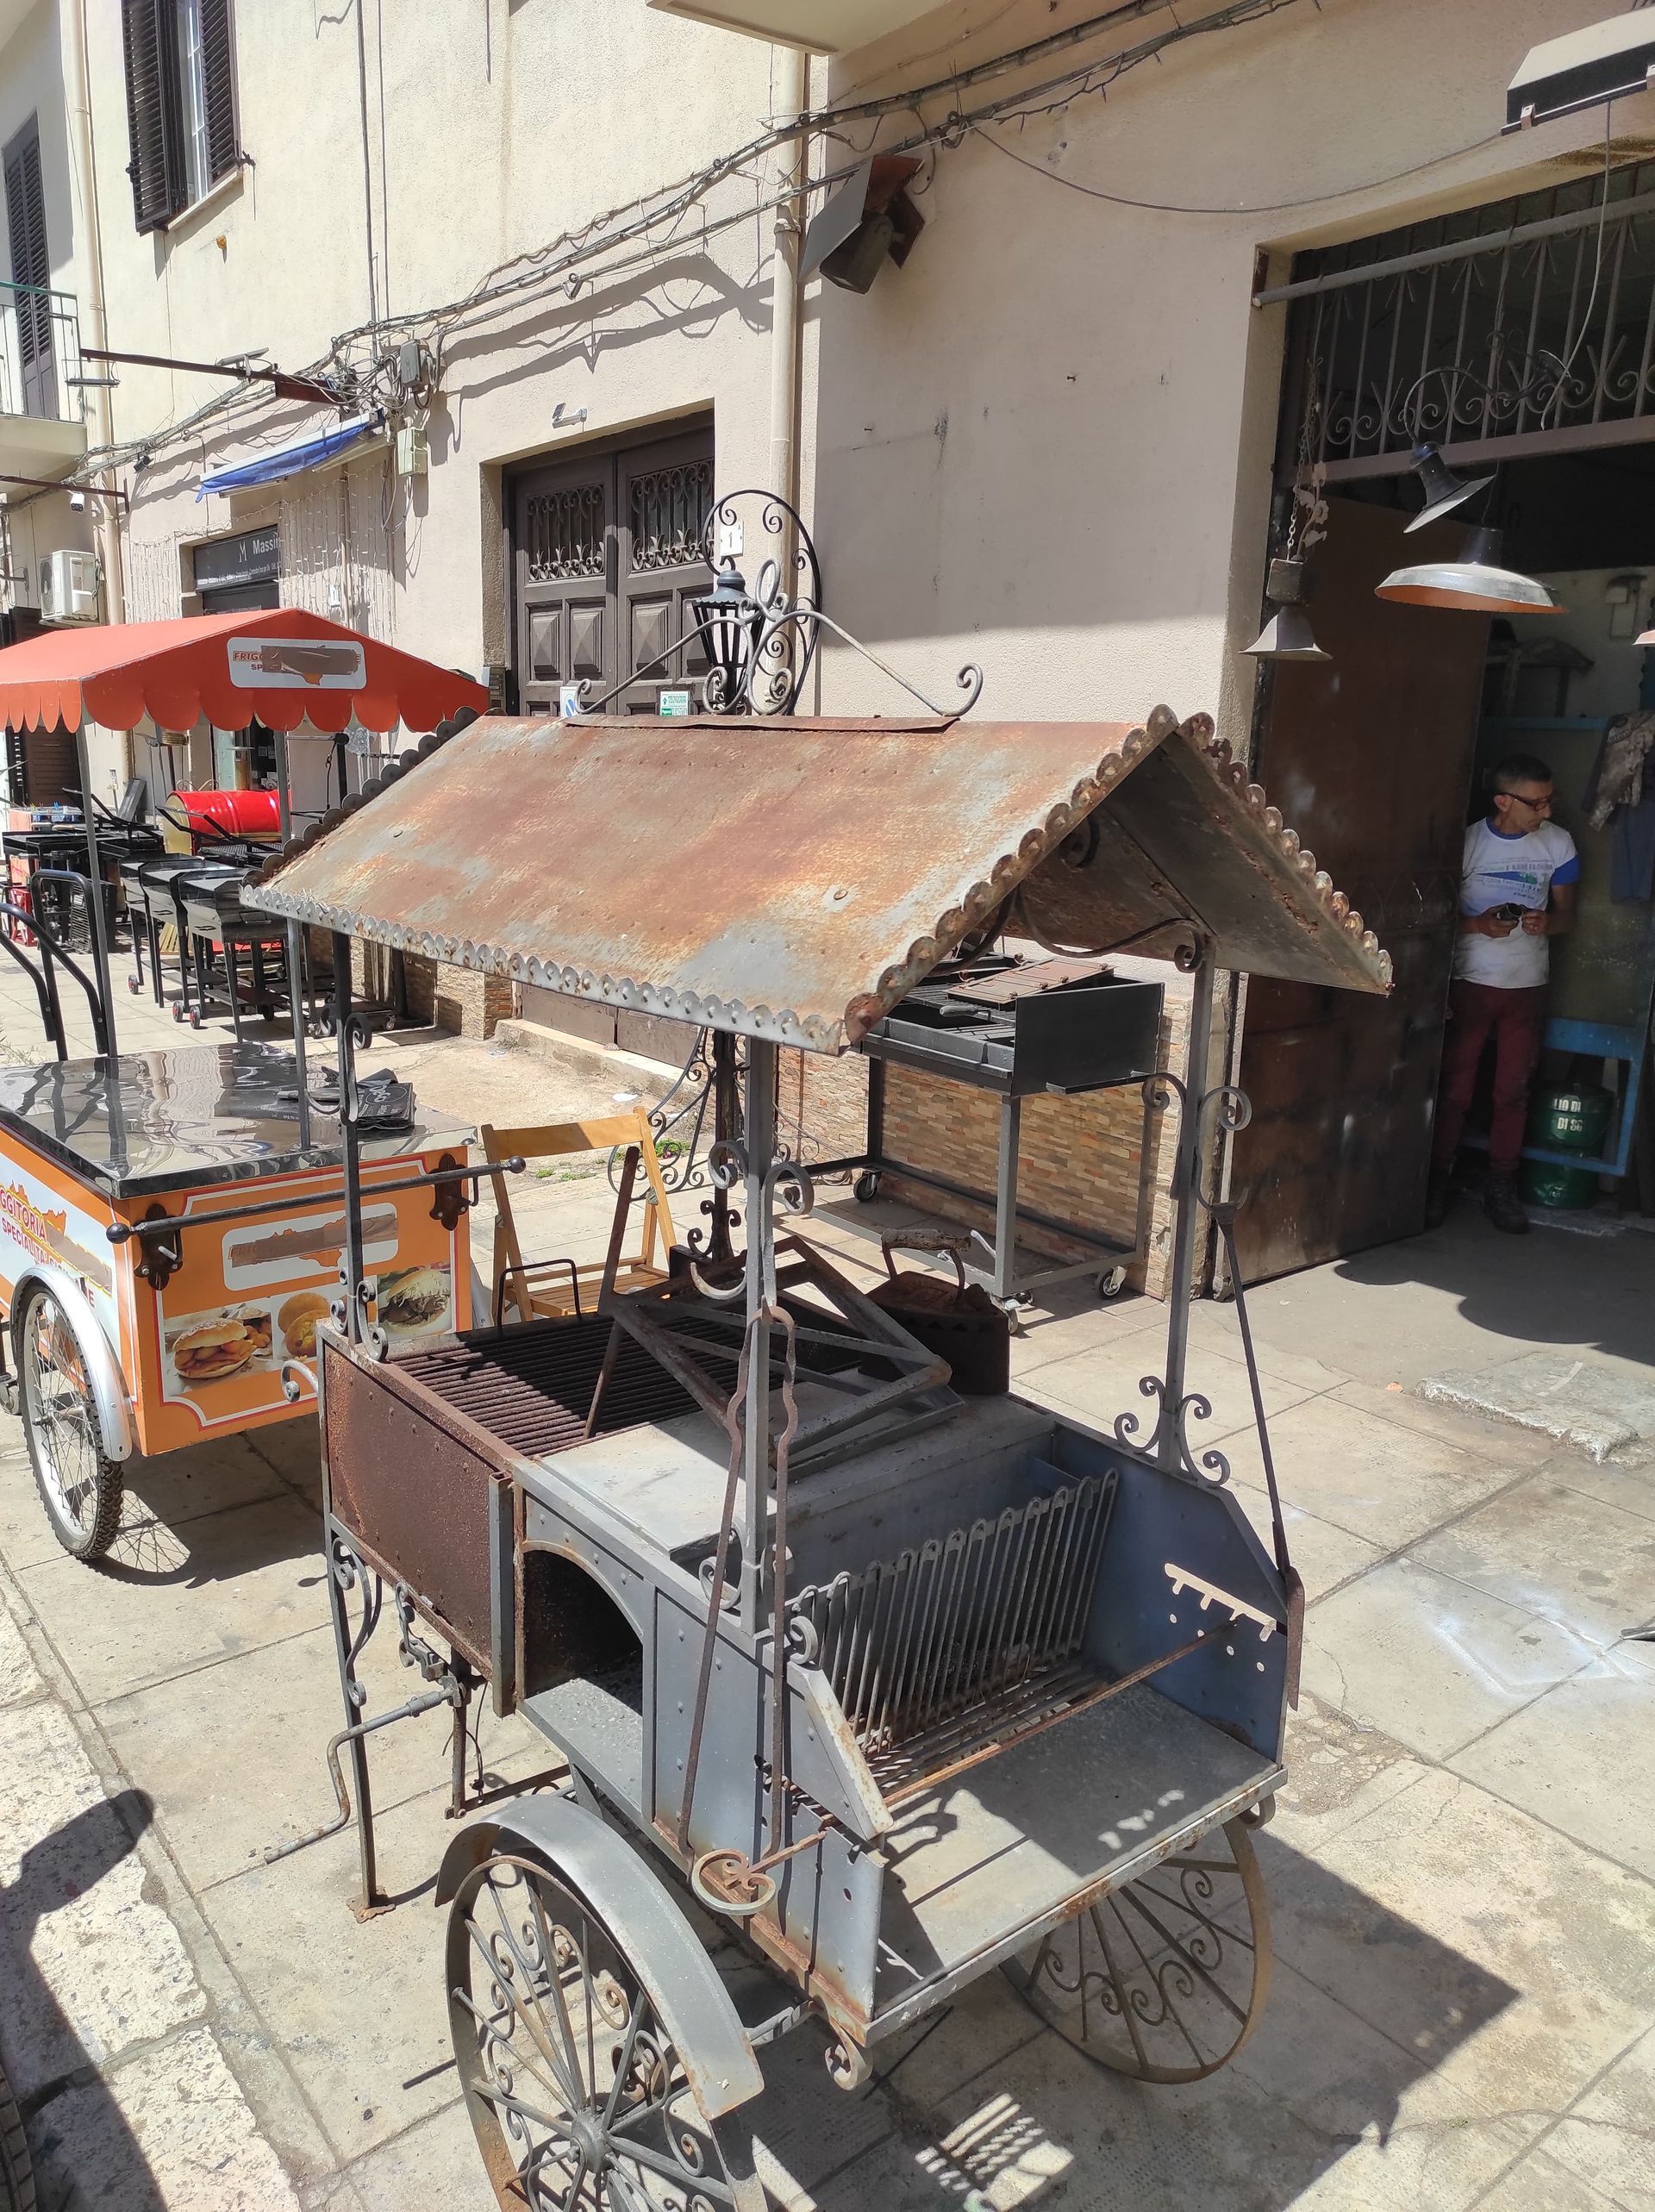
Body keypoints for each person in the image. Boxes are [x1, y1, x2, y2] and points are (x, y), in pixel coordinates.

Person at [1426, 753, 1578, 1235]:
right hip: (1471, 981)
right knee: (1454, 1089)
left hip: (1527, 985)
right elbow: (1430, 917)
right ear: (1503, 801)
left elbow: (1569, 918)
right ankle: (1434, 1180)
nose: (1547, 812)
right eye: (1537, 803)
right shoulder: (1468, 842)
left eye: (1550, 801)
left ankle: (1502, 1184)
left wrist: (1546, 922)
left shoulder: (1559, 844)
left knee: (1512, 1090)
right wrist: (1477, 924)